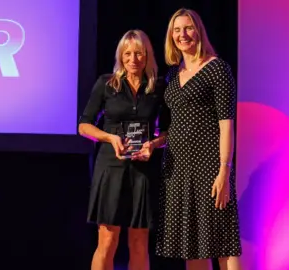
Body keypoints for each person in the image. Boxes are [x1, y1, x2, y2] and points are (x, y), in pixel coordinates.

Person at [155, 8, 242, 270]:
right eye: (177, 30)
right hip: (177, 169)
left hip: (210, 167)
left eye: (188, 28)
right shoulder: (172, 74)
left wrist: (224, 172)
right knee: (191, 243)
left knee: (223, 239)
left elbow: (226, 125)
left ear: (199, 31)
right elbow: (176, 126)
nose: (183, 35)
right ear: (172, 36)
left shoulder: (217, 68)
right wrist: (155, 142)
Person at [78, 29, 170, 270]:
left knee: (139, 242)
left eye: (139, 53)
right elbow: (84, 125)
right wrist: (110, 137)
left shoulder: (158, 87)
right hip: (111, 167)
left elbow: (169, 132)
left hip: (144, 169)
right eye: (127, 54)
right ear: (120, 56)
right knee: (108, 239)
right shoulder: (106, 84)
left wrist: (154, 144)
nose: (133, 59)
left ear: (147, 55)